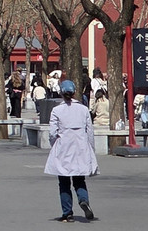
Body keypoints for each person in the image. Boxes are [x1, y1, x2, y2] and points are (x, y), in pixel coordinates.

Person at [44, 80, 97, 223]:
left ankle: (67, 213)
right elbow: (90, 131)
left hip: (63, 147)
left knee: (64, 182)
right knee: (79, 179)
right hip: (80, 147)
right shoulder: (83, 109)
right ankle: (83, 200)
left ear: (61, 93)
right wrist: (91, 148)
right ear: (74, 92)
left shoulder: (57, 110)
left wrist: (54, 145)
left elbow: (52, 133)